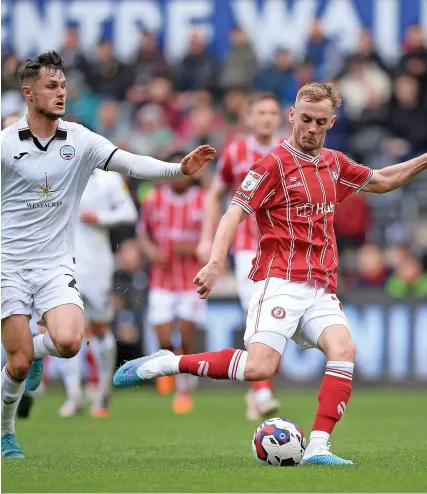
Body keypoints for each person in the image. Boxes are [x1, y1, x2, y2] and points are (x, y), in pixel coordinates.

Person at [113, 82, 427, 465]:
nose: (311, 128)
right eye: (306, 119)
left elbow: (385, 180)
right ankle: (168, 363)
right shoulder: (271, 165)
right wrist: (215, 261)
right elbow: (234, 212)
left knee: (343, 350)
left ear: (331, 123)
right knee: (260, 366)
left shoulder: (334, 163)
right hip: (278, 282)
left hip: (320, 287)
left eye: (321, 122)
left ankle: (318, 447)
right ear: (292, 116)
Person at [0, 50, 215, 459]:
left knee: (69, 342)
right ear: (28, 93)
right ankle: (6, 431)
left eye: (63, 85)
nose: (61, 93)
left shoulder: (79, 140)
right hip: (8, 266)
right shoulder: (6, 145)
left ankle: (37, 344)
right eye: (51, 86)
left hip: (54, 264)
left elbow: (131, 163)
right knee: (18, 364)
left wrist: (178, 170)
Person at [197, 93, 282, 421]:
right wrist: (208, 238)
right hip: (249, 247)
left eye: (272, 112)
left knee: (279, 318)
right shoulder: (235, 152)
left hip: (285, 245)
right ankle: (262, 392)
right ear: (249, 117)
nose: (266, 118)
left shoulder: (289, 150)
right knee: (257, 312)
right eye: (260, 112)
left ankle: (256, 388)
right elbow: (215, 194)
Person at [58, 169, 138, 419]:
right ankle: (73, 394)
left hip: (97, 266)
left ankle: (103, 389)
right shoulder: (55, 175)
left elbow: (129, 213)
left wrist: (100, 216)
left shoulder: (109, 180)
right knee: (66, 331)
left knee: (101, 328)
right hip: (62, 264)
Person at [138, 151, 206, 413]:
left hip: (192, 280)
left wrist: (190, 249)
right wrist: (149, 251)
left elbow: (211, 239)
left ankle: (185, 387)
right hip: (161, 280)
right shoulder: (153, 199)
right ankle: (169, 369)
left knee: (187, 334)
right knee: (164, 337)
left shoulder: (202, 200)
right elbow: (143, 232)